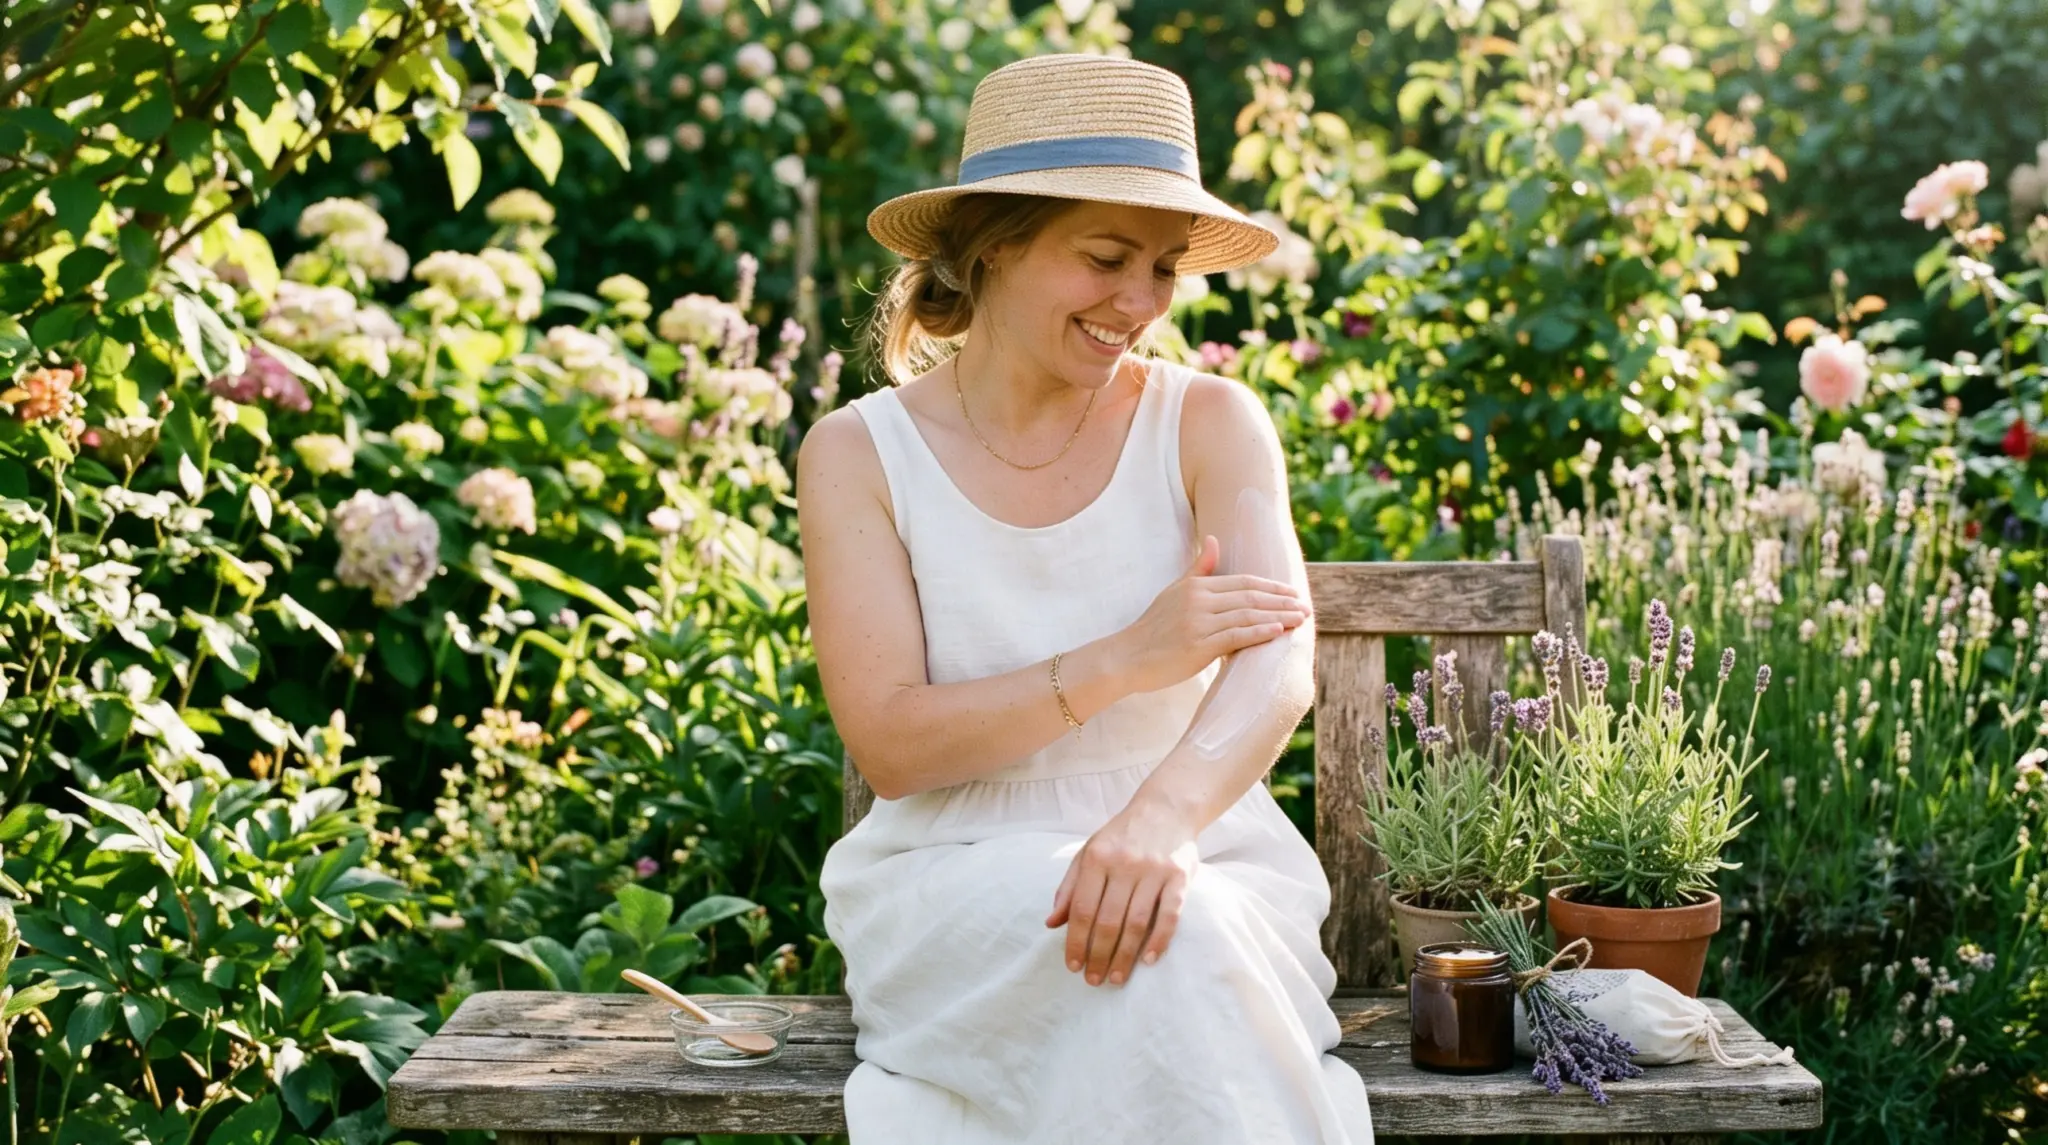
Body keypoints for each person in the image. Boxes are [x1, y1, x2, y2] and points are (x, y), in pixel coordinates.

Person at [797, 53, 1375, 1144]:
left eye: (1161, 267)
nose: (1139, 303)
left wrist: (1156, 822)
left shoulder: (1207, 420)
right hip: (950, 879)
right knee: (1155, 951)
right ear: (993, 245)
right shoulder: (858, 453)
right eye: (1105, 258)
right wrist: (1126, 655)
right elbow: (892, 745)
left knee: (1178, 929)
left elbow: (1276, 662)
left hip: (1200, 847)